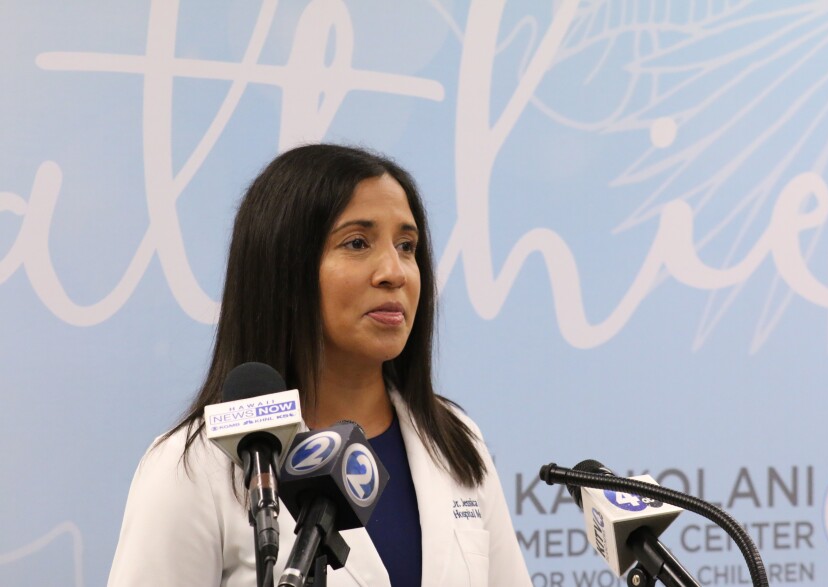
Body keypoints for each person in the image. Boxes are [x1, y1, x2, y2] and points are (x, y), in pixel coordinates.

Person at [108, 144, 532, 586]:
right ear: (282, 268)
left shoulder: (454, 439)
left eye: (406, 246)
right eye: (357, 243)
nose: (395, 271)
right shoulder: (193, 467)